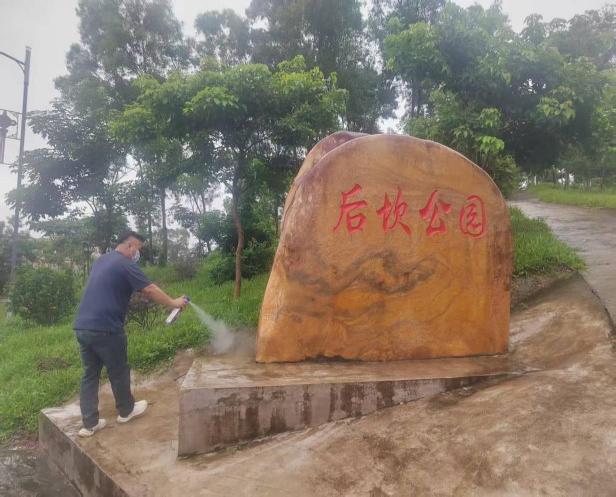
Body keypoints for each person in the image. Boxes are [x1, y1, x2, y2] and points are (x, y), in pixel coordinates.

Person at [74, 231, 188, 437]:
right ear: (130, 246)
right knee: (118, 370)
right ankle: (126, 411)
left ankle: (89, 424)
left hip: (83, 326)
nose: (137, 254)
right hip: (106, 327)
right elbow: (149, 289)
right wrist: (174, 302)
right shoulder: (125, 264)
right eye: (138, 249)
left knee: (90, 374)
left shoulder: (102, 260)